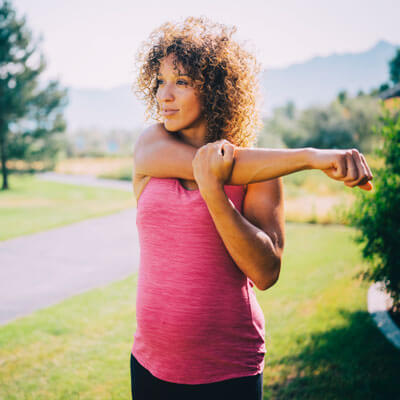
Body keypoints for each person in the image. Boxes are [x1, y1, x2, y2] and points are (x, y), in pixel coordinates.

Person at [129, 16, 373, 400]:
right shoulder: (150, 145)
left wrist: (214, 193)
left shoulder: (263, 171)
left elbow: (266, 272)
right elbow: (215, 165)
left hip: (228, 369)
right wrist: (311, 157)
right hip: (149, 363)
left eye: (182, 81)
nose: (164, 96)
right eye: (160, 81)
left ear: (215, 89)